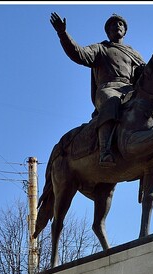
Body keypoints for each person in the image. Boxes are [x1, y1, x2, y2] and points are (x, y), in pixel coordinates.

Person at [50, 12, 146, 166]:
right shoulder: (101, 48)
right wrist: (63, 33)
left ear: (125, 30)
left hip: (129, 91)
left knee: (151, 107)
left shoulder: (134, 54)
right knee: (111, 101)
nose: (117, 26)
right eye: (112, 25)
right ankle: (104, 151)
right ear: (107, 32)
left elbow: (145, 75)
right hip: (108, 89)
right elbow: (78, 53)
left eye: (120, 24)